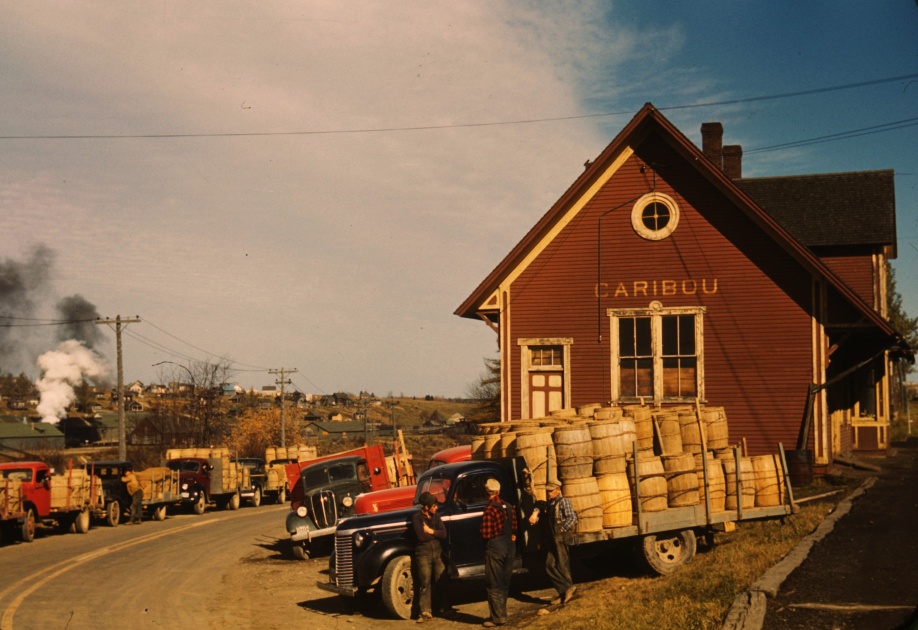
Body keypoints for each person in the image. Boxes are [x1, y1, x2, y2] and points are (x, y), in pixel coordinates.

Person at [528, 477, 577, 605]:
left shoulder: (564, 502)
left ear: (558, 490)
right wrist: (536, 512)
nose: (548, 493)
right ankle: (566, 589)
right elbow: (539, 503)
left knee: (562, 565)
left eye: (551, 491)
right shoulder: (550, 503)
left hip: (561, 537)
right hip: (553, 539)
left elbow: (572, 518)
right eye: (548, 491)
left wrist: (562, 529)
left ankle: (566, 593)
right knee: (550, 565)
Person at [480, 477, 517, 627]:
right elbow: (514, 528)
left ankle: (497, 618)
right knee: (504, 582)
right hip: (510, 546)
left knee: (494, 582)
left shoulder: (489, 509)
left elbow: (486, 534)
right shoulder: (509, 507)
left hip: (495, 547)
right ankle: (502, 613)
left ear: (486, 492)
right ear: (499, 491)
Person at [411, 491, 452, 623]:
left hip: (437, 550)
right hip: (423, 553)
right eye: (434, 506)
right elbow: (421, 537)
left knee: (442, 579)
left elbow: (444, 534)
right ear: (426, 507)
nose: (436, 508)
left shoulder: (437, 516)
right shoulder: (416, 518)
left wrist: (430, 531)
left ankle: (446, 609)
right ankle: (425, 612)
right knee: (425, 581)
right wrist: (435, 534)